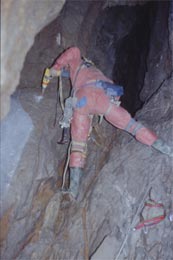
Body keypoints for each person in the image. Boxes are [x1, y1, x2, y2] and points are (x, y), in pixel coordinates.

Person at [48, 46, 172, 199]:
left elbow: (74, 51)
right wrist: (58, 71)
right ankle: (167, 149)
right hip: (104, 99)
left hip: (83, 100)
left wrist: (55, 68)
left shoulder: (77, 63)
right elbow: (68, 73)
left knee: (78, 146)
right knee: (132, 126)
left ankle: (73, 190)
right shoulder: (92, 71)